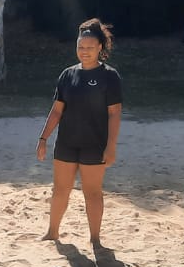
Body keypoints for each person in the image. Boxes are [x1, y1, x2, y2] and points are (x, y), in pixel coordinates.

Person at [36, 18, 123, 244]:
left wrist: (111, 146)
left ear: (100, 47)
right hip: (66, 142)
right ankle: (52, 232)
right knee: (60, 190)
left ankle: (95, 239)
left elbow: (114, 114)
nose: (84, 51)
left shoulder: (109, 76)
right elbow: (57, 111)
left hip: (95, 145)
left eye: (89, 47)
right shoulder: (68, 75)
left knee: (92, 192)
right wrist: (43, 138)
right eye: (80, 47)